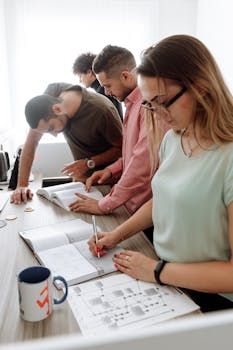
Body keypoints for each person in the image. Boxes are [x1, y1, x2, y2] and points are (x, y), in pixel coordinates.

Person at [88, 35, 233, 313]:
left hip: (211, 298)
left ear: (200, 89)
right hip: (167, 276)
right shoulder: (174, 138)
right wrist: (116, 235)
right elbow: (163, 198)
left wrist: (156, 271)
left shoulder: (228, 156)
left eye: (162, 102)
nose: (157, 114)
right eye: (149, 103)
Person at [69, 46, 168, 234]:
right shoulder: (131, 104)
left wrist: (104, 205)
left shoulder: (148, 106)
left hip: (145, 214)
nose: (106, 93)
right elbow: (133, 154)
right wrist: (110, 170)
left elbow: (142, 165)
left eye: (107, 85)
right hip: (130, 207)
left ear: (125, 76)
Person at [11, 84, 122, 204]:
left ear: (57, 109)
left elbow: (122, 149)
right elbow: (32, 142)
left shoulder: (101, 110)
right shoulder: (50, 96)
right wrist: (22, 185)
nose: (54, 135)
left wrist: (89, 163)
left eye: (51, 128)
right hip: (82, 182)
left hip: (109, 182)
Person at [73, 52, 123, 120]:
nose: (80, 81)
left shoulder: (103, 92)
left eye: (80, 76)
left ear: (89, 72)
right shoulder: (106, 88)